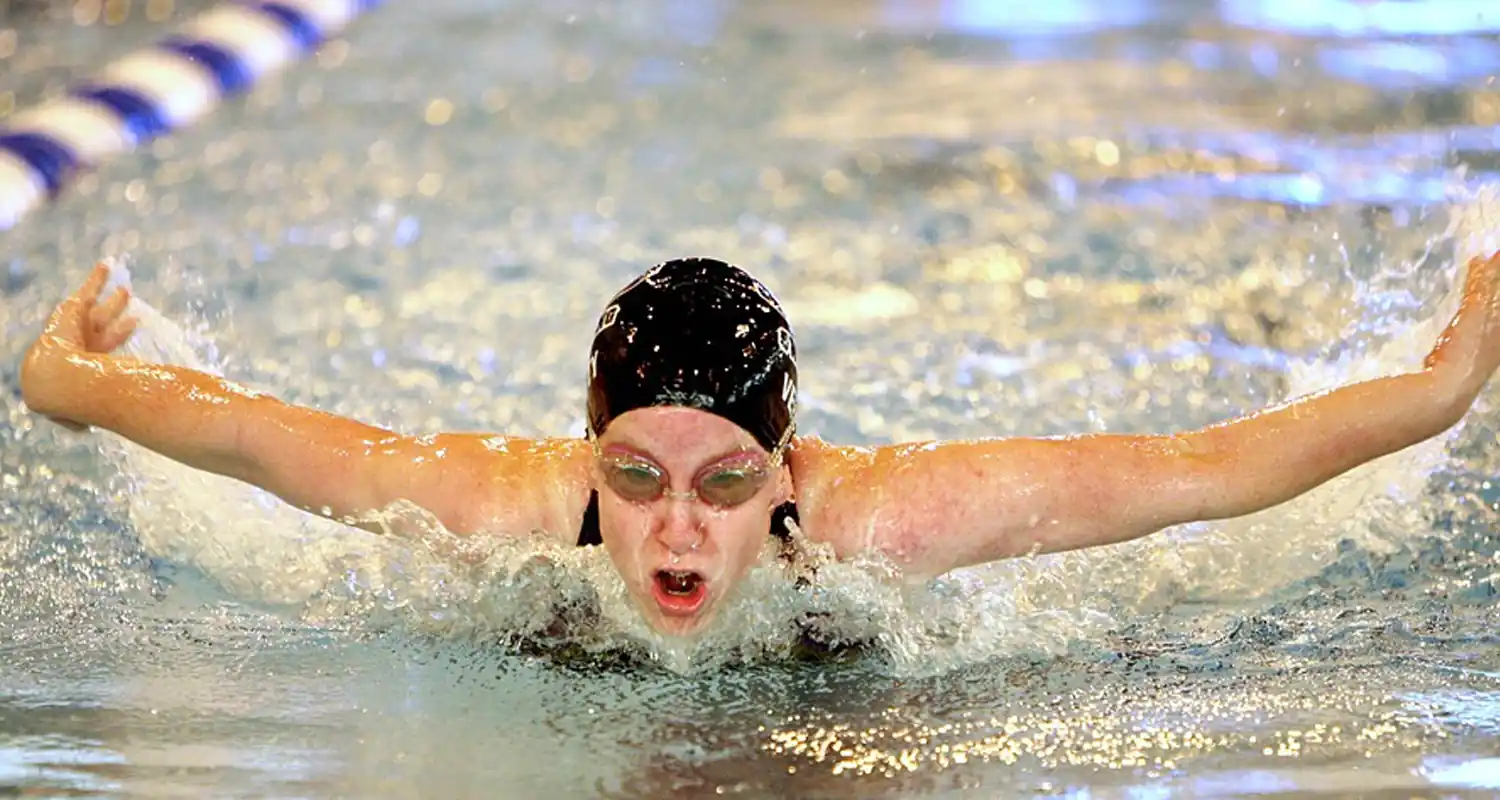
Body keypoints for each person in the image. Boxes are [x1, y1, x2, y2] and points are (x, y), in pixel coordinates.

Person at [18, 254, 1500, 638]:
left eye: (728, 485)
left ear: (787, 471)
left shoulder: (888, 527)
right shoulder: (496, 505)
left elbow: (1205, 471)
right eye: (637, 479)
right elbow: (254, 439)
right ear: (587, 450)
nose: (676, 532)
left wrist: (1441, 387)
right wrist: (65, 371)